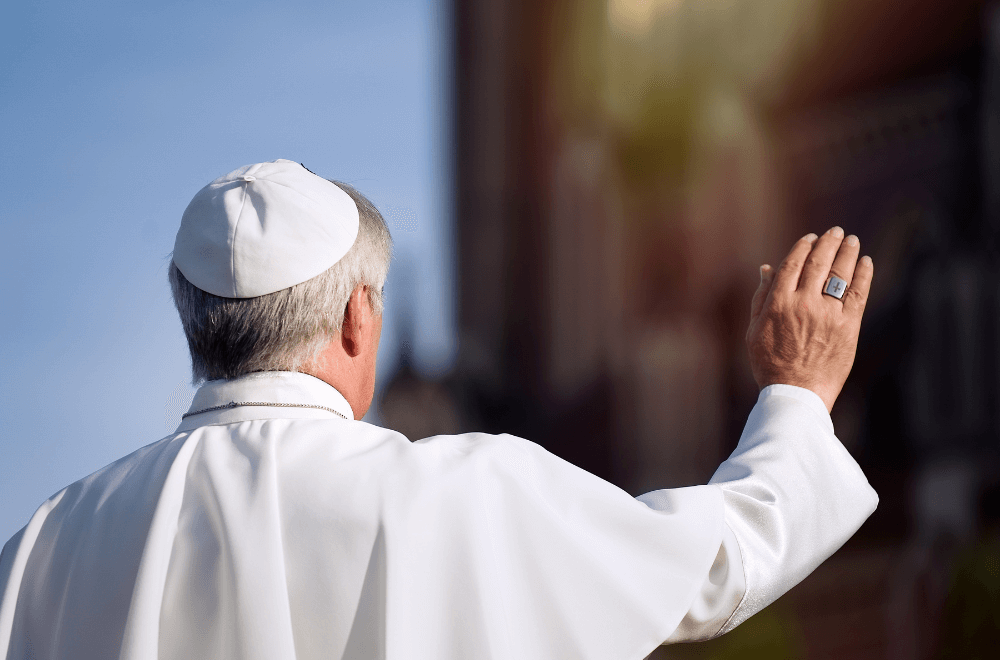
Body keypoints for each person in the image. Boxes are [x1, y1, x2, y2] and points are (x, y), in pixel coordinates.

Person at [0, 159, 877, 660]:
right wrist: (796, 393)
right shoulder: (468, 490)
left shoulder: (41, 547)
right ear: (358, 319)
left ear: (192, 320)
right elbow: (721, 558)